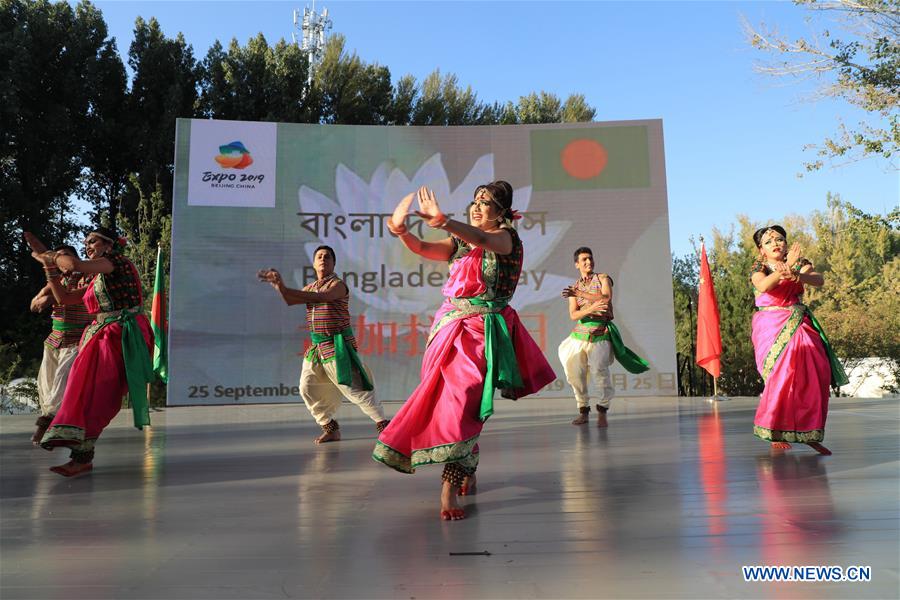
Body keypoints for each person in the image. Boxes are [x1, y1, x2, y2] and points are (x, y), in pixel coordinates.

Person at [372, 182, 556, 521]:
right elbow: (425, 249)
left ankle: (447, 487)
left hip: (483, 331)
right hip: (447, 328)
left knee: (465, 398)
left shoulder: (507, 239)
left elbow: (484, 240)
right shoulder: (460, 242)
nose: (476, 207)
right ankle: (466, 463)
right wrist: (400, 232)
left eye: (485, 203)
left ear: (501, 212)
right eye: (474, 201)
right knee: (448, 403)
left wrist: (443, 220)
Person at [25, 227, 155, 477]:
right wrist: (49, 268)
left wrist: (48, 255)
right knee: (83, 391)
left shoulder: (115, 262)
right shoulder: (98, 278)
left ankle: (82, 456)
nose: (87, 246)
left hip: (120, 337)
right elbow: (63, 297)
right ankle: (81, 456)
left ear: (109, 245)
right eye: (85, 242)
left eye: (92, 241)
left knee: (98, 395)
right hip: (101, 336)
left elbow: (72, 262)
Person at [258, 245, 388, 444]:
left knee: (356, 390)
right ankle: (330, 427)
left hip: (338, 347)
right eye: (319, 256)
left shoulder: (337, 285)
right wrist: (279, 287)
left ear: (333, 263)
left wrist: (285, 288)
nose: (323, 259)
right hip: (317, 348)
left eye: (327, 257)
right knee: (307, 387)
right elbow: (291, 300)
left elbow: (322, 298)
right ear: (314, 263)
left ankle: (385, 426)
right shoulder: (310, 288)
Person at [750, 225, 848, 455]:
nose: (776, 243)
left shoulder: (799, 261)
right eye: (769, 241)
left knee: (817, 373)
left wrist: (797, 273)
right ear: (761, 250)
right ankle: (774, 430)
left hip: (799, 321)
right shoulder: (759, 267)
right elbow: (763, 285)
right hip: (772, 325)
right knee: (782, 376)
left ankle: (809, 431)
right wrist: (783, 271)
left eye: (780, 239)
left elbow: (818, 279)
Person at [558, 246, 649, 427]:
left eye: (590, 258)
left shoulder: (603, 278)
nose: (588, 262)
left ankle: (602, 410)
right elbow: (573, 315)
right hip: (580, 334)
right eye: (584, 259)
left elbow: (606, 298)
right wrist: (591, 308)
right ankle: (583, 410)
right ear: (577, 264)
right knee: (575, 374)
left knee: (600, 372)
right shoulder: (574, 288)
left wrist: (582, 296)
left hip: (601, 333)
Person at [28, 245, 92, 444]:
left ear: (73, 259)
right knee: (46, 387)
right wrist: (44, 297)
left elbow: (72, 299)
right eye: (59, 259)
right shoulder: (56, 280)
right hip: (54, 340)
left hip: (76, 340)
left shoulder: (89, 278)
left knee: (61, 385)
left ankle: (45, 426)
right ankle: (52, 425)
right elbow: (33, 305)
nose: (62, 263)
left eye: (66, 258)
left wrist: (52, 295)